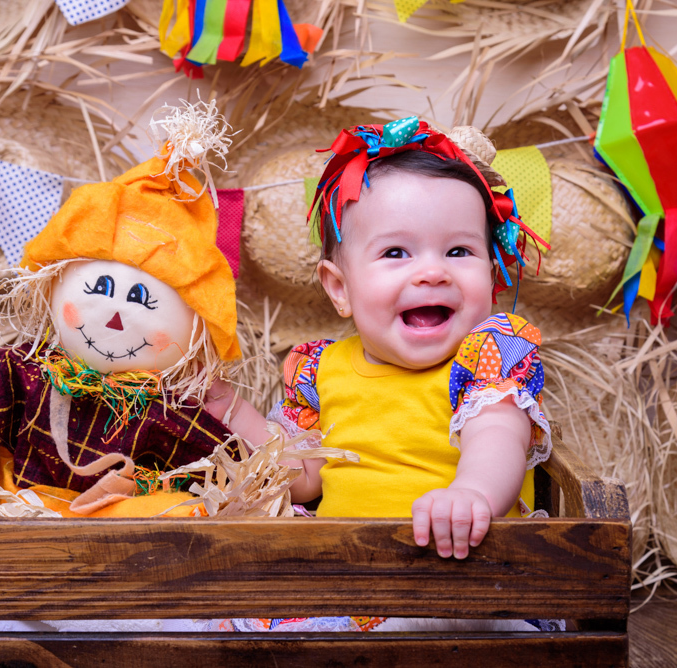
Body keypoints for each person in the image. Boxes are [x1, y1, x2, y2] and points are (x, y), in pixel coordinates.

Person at [215, 117, 552, 562]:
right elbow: (301, 478)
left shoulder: (485, 357)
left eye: (459, 251)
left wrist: (472, 493)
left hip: (462, 573)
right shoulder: (323, 371)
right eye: (396, 253)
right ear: (340, 289)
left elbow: (497, 435)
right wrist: (228, 408)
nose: (433, 272)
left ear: (490, 275)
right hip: (347, 574)